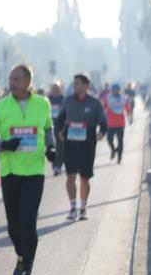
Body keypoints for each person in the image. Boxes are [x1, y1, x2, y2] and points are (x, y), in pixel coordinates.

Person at [0, 64, 55, 275]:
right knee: (14, 226)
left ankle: (27, 272)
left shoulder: (42, 103)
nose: (11, 83)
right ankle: (21, 256)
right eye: (10, 78)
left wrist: (52, 148)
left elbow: (48, 128)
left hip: (34, 172)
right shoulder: (1, 106)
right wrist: (4, 144)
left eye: (16, 79)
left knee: (28, 222)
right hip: (10, 171)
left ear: (27, 81)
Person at [56, 73, 107, 221]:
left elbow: (103, 122)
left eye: (77, 83)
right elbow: (60, 118)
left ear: (86, 85)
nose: (74, 86)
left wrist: (102, 133)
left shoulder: (94, 103)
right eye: (74, 83)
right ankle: (73, 207)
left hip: (87, 142)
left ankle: (83, 208)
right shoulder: (68, 101)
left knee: (85, 178)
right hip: (70, 142)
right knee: (70, 175)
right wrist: (59, 131)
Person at [102, 83, 133, 163]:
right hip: (110, 123)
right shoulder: (108, 98)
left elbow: (127, 109)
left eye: (117, 89)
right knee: (109, 139)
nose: (115, 91)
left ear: (119, 90)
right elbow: (103, 108)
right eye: (114, 89)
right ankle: (113, 149)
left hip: (120, 123)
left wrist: (130, 117)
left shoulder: (123, 98)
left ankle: (119, 157)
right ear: (112, 90)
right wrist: (107, 111)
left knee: (120, 141)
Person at [47, 81, 66, 176]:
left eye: (57, 89)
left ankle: (59, 165)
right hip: (50, 126)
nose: (55, 90)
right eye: (54, 88)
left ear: (60, 89)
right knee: (52, 147)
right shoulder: (47, 99)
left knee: (61, 147)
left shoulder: (64, 99)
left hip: (61, 127)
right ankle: (55, 166)